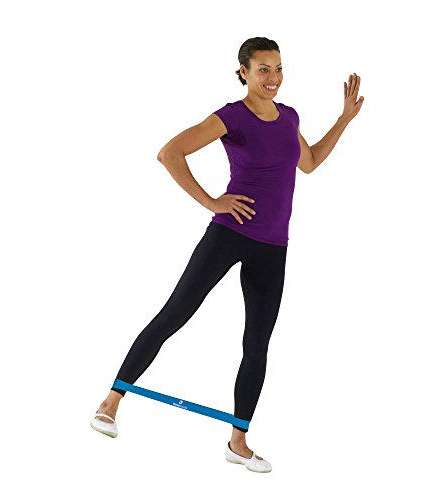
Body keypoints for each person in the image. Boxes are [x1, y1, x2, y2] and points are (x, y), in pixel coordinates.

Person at [90, 36, 364, 473]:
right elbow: (170, 153)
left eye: (278, 68)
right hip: (229, 234)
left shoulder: (289, 116)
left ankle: (238, 441)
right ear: (244, 72)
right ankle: (110, 402)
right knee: (175, 313)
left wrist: (344, 119)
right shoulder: (232, 116)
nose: (273, 78)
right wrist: (212, 202)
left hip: (273, 247)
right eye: (263, 69)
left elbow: (309, 162)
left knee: (257, 344)